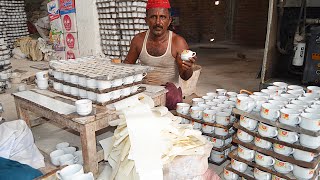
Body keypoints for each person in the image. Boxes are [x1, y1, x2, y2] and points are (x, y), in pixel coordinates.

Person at [123, 0, 197, 109]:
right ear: (146, 20)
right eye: (153, 17)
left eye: (163, 17)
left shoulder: (178, 42)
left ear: (169, 20)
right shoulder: (138, 40)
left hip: (170, 94)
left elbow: (185, 77)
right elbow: (127, 66)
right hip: (146, 93)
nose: (158, 22)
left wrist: (188, 68)